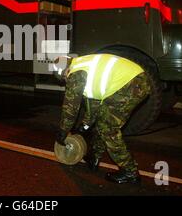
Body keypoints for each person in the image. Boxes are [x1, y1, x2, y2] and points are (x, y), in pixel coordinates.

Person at [53, 54, 151, 184]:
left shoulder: (76, 73)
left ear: (64, 72)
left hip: (130, 84)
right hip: (135, 79)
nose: (66, 81)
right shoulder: (82, 64)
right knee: (102, 122)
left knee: (108, 130)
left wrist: (63, 131)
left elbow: (70, 107)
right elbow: (93, 105)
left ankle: (130, 172)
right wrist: (85, 125)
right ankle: (95, 158)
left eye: (64, 79)